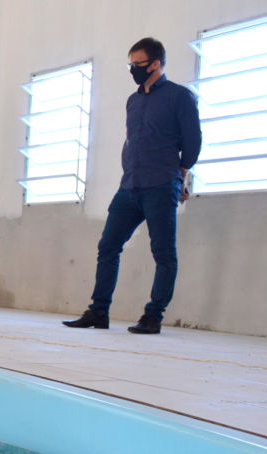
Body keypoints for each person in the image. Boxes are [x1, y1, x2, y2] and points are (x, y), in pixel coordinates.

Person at [64, 38, 201, 334]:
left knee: (163, 253)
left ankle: (153, 316)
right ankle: (99, 312)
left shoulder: (180, 97)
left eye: (137, 65)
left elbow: (193, 142)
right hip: (129, 187)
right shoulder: (134, 100)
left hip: (161, 185)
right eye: (130, 65)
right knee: (108, 247)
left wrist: (182, 175)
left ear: (155, 64)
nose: (133, 70)